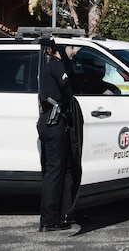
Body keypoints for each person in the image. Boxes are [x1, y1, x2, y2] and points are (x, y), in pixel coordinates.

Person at [37, 39, 75, 232]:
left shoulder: (49, 66)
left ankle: (65, 213)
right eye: (70, 47)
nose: (73, 51)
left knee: (65, 169)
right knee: (55, 171)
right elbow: (68, 91)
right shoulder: (56, 65)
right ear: (60, 48)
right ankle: (49, 221)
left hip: (52, 122)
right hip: (54, 123)